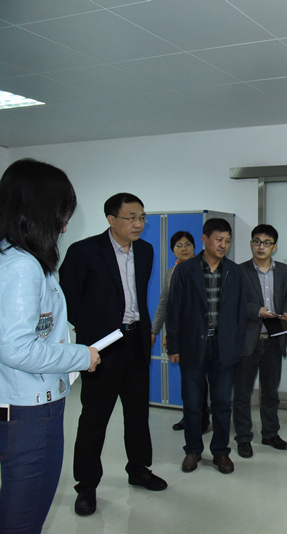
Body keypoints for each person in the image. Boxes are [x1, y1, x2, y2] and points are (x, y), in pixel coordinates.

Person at [0, 159, 101, 533]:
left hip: (15, 403)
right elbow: (16, 347)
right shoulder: (22, 266)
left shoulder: (11, 257)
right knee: (23, 518)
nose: (63, 226)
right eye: (61, 214)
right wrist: (81, 355)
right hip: (31, 411)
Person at [60, 192, 167, 517]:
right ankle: (86, 486)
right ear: (111, 219)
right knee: (94, 417)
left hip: (136, 342)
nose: (138, 224)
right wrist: (92, 334)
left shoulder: (145, 251)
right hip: (103, 348)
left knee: (137, 413)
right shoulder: (84, 251)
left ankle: (138, 469)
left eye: (142, 217)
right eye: (131, 217)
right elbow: (67, 300)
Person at [167, 218, 246, 475]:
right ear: (204, 239)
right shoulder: (185, 270)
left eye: (227, 241)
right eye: (219, 240)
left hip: (223, 347)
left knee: (222, 403)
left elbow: (240, 313)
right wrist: (174, 346)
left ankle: (221, 452)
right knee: (192, 404)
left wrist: (238, 346)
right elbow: (174, 309)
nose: (223, 245)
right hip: (193, 346)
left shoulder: (234, 272)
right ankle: (192, 450)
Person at [233, 225, 287, 458]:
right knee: (243, 394)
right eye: (257, 242)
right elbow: (234, 304)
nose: (261, 247)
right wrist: (257, 311)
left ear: (274, 247)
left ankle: (270, 433)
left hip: (274, 340)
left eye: (267, 243)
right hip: (248, 342)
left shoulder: (285, 272)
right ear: (251, 244)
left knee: (270, 392)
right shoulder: (239, 271)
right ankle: (243, 438)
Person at [149, 231, 210, 433]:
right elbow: (164, 303)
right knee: (188, 379)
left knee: (200, 378)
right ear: (173, 250)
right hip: (180, 334)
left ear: (194, 247)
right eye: (179, 245)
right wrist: (154, 330)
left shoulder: (204, 269)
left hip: (200, 334)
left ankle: (203, 418)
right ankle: (189, 416)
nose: (184, 248)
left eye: (187, 244)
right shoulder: (171, 272)